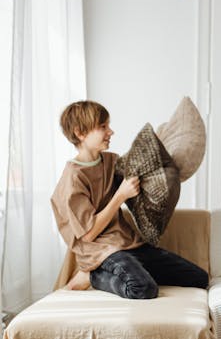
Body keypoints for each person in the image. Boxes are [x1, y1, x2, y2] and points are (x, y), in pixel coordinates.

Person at [51, 100, 208, 299]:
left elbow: (140, 170)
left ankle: (134, 270)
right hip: (101, 253)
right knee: (143, 289)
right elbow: (88, 234)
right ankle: (92, 276)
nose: (110, 132)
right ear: (80, 133)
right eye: (103, 127)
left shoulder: (111, 161)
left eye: (108, 125)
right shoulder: (73, 179)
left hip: (130, 244)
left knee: (199, 278)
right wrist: (120, 196)